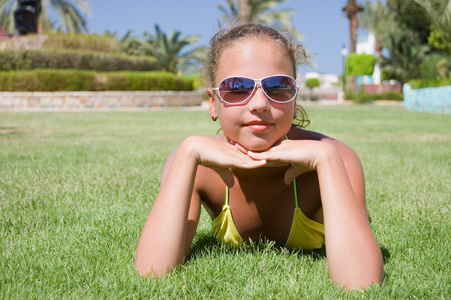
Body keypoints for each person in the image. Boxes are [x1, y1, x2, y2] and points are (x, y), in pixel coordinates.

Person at [135, 23, 384, 290]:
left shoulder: (339, 159)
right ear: (213, 102)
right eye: (237, 87)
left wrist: (327, 160)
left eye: (278, 86)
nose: (259, 104)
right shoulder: (194, 165)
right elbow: (153, 272)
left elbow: (361, 283)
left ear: (294, 98)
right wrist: (187, 152)